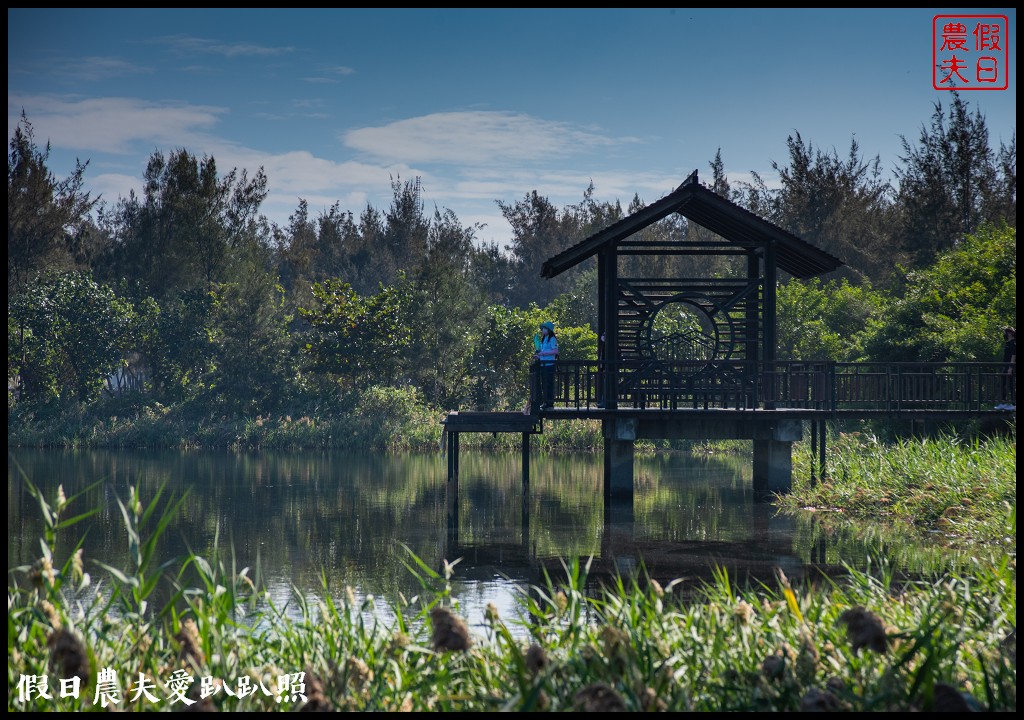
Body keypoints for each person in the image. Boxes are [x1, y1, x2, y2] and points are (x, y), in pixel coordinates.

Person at [533, 321, 558, 410]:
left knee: (548, 384)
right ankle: (545, 402)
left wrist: (543, 354)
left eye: (544, 328)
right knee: (544, 384)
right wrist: (538, 356)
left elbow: (555, 351)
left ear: (548, 330)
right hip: (543, 364)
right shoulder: (544, 338)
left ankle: (549, 402)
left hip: (549, 365)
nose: (542, 330)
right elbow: (542, 351)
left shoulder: (552, 339)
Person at [997, 326, 1015, 410]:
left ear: (1010, 333)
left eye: (1006, 333)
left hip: (1010, 367)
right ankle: (1003, 402)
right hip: (1005, 366)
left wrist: (1010, 367)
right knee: (1003, 384)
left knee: (1011, 385)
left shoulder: (1013, 343)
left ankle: (1013, 404)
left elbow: (1013, 355)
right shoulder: (1007, 343)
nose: (1004, 334)